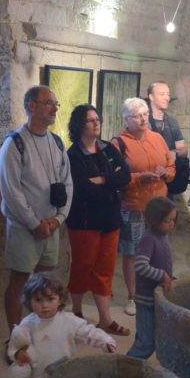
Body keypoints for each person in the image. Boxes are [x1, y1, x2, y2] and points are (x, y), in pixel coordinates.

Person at [0, 85, 73, 358]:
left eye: (55, 104)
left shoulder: (55, 142)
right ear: (31, 106)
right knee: (19, 282)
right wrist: (33, 223)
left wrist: (58, 218)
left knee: (44, 283)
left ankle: (39, 334)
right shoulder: (14, 144)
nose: (54, 108)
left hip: (51, 225)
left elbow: (67, 182)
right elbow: (12, 190)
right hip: (24, 228)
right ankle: (15, 340)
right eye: (48, 103)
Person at [65, 104, 131, 336]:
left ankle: (105, 318)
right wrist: (111, 183)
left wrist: (103, 180)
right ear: (79, 125)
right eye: (91, 120)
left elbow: (125, 176)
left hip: (110, 220)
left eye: (98, 119)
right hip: (85, 221)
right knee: (83, 266)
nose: (97, 123)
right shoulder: (73, 156)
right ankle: (76, 312)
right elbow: (84, 190)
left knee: (105, 269)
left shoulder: (108, 149)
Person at [113, 97, 176, 316]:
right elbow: (116, 177)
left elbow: (171, 164)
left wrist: (166, 173)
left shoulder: (157, 138)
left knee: (160, 248)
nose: (143, 119)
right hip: (135, 205)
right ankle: (133, 296)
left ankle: (158, 289)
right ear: (126, 119)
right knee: (133, 253)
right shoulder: (118, 143)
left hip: (159, 205)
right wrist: (140, 178)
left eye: (145, 114)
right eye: (137, 115)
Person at [126, 196, 177, 359]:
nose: (171, 224)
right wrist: (162, 275)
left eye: (173, 220)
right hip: (145, 299)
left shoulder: (163, 237)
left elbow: (163, 262)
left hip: (155, 299)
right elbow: (140, 266)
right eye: (167, 220)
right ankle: (127, 369)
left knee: (147, 337)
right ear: (155, 220)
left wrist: (170, 277)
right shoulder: (149, 239)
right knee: (145, 344)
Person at [146, 81, 187, 157]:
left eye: (168, 94)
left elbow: (183, 150)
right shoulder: (142, 121)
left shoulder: (172, 122)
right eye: (162, 94)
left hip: (169, 167)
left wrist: (173, 153)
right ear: (151, 97)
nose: (167, 98)